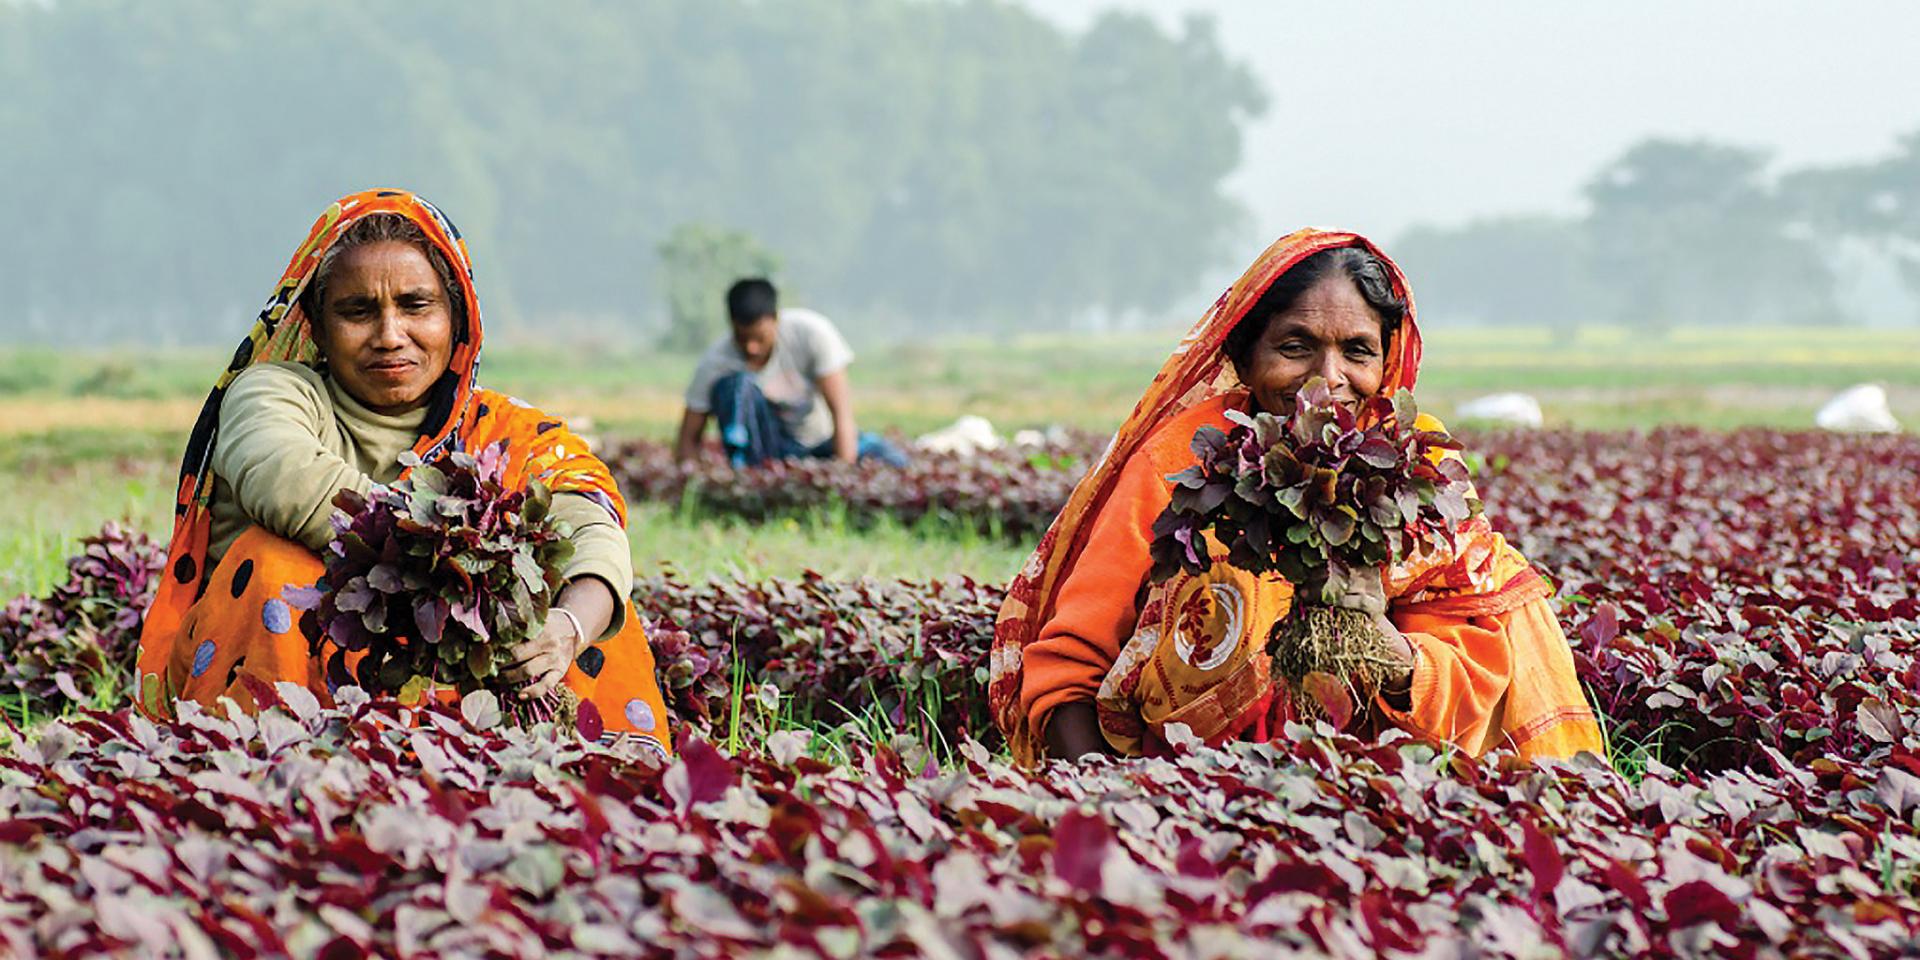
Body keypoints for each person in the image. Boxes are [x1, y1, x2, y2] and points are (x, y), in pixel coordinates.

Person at [988, 229, 1604, 767]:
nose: (1327, 378)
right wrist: (1119, 804)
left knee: (1504, 599)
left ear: (1387, 360)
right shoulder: (1180, 463)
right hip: (1189, 785)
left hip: (1389, 792)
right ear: (1243, 355)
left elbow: (1471, 660)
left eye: (1357, 350)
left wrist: (1384, 649)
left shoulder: (1421, 470)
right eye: (1295, 346)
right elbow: (1070, 663)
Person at [134, 189, 672, 760]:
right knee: (275, 564)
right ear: (314, 326)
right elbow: (285, 478)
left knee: (583, 600)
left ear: (456, 318)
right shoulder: (275, 392)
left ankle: (600, 772)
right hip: (286, 688)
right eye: (357, 311)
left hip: (460, 705)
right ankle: (267, 767)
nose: (390, 334)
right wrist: (460, 569)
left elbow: (588, 522)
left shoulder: (501, 429)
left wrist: (566, 625)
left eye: (416, 306)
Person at [673, 278, 908, 468]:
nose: (750, 347)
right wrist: (692, 481)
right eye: (742, 338)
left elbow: (842, 413)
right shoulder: (716, 362)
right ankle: (749, 472)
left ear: (776, 319)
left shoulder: (812, 333)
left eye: (759, 338)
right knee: (735, 385)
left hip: (820, 442)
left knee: (892, 461)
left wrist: (843, 472)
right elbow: (688, 437)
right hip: (768, 454)